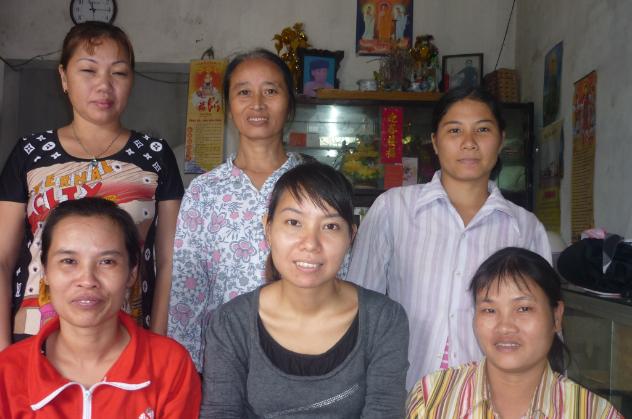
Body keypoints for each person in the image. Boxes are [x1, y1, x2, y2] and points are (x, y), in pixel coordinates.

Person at [347, 86, 551, 389]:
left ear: (501, 139)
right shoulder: (393, 209)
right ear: (435, 141)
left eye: (482, 129)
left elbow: (541, 327)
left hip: (491, 398)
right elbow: (358, 306)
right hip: (405, 392)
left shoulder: (525, 228)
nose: (469, 142)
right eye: (455, 130)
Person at [0, 22, 183, 351]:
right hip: (35, 336)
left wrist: (156, 342)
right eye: (88, 70)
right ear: (64, 77)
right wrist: (3, 348)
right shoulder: (30, 154)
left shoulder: (155, 155)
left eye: (119, 73)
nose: (104, 85)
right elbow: (2, 258)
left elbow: (169, 261)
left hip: (125, 338)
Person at [200, 163, 409, 418]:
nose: (310, 243)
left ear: (351, 237)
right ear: (268, 228)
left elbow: (384, 411)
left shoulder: (384, 319)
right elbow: (221, 412)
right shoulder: (232, 322)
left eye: (330, 226)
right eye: (294, 222)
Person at [168, 48, 307, 371]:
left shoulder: (314, 186)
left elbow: (340, 278)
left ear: (289, 104)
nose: (257, 104)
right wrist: (184, 370)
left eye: (270, 91)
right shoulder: (205, 191)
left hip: (303, 358)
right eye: (244, 92)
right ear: (229, 107)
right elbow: (187, 291)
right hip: (224, 362)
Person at [0, 198, 200, 418]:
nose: (87, 280)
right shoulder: (8, 371)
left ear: (132, 273)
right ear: (45, 271)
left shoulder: (170, 364)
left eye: (106, 262)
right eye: (69, 261)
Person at [406, 247, 623, 418]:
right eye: (489, 310)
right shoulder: (432, 397)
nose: (505, 327)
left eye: (523, 309)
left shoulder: (594, 413)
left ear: (556, 317)